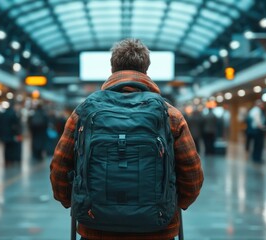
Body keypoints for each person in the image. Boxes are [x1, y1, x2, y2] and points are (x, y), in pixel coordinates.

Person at [49, 39, 204, 240]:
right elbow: (192, 175)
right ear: (146, 69)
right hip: (157, 229)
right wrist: (170, 204)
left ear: (112, 68)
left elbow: (59, 168)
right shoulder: (170, 114)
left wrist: (78, 201)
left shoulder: (84, 112)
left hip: (96, 226)